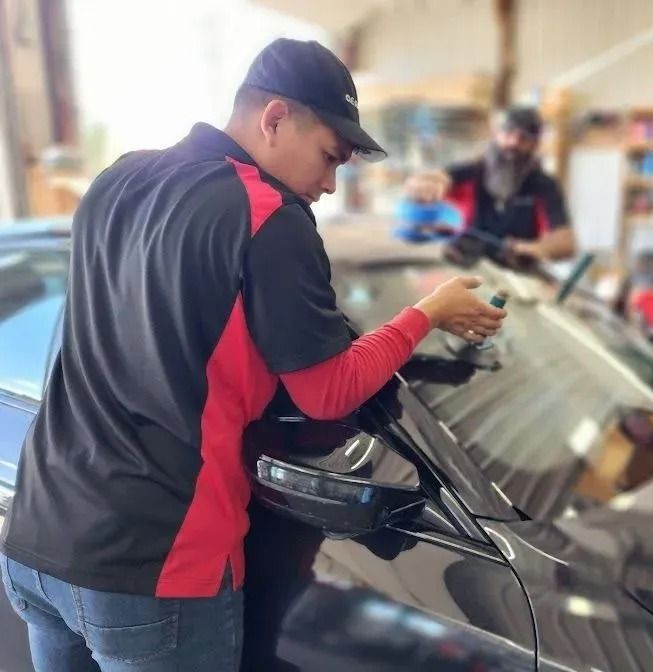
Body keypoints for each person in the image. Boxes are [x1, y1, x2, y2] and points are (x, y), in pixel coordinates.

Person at [0, 39, 505, 672]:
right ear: (273, 119)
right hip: (155, 566)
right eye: (330, 156)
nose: (328, 182)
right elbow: (328, 391)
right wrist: (426, 313)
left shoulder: (117, 179)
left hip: (35, 538)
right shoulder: (269, 215)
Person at [404, 106, 576, 264]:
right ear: (496, 135)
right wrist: (423, 184)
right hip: (462, 269)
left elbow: (565, 243)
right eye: (508, 134)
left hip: (515, 277)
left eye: (523, 138)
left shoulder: (544, 186)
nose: (513, 143)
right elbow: (436, 179)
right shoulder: (468, 173)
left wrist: (527, 248)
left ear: (535, 145)